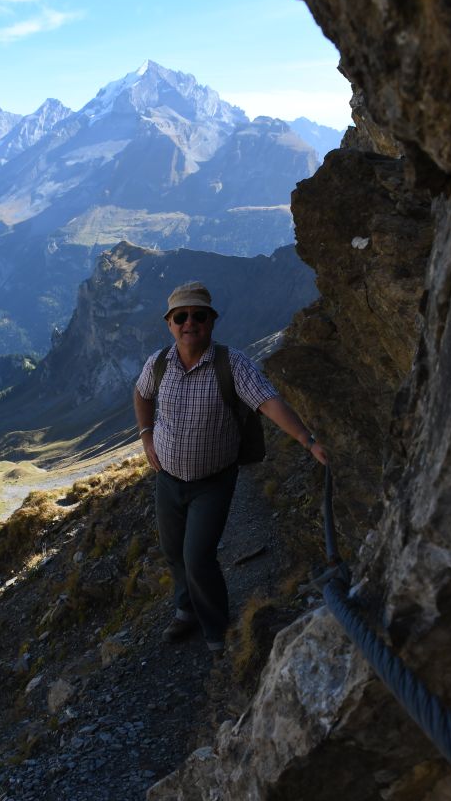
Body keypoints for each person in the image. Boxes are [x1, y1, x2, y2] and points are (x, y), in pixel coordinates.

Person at [134, 281, 327, 659]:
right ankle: (186, 610)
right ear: (169, 323)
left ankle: (216, 631)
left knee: (197, 557)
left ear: (212, 320)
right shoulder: (159, 363)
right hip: (168, 479)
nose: (190, 323)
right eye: (181, 317)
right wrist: (146, 435)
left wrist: (308, 440)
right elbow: (141, 393)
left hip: (213, 483)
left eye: (198, 315)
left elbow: (269, 402)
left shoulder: (233, 365)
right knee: (174, 551)